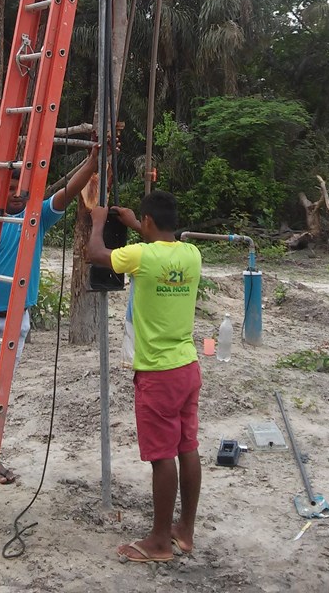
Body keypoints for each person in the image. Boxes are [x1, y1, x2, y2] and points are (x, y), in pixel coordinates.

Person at [0, 144, 99, 483]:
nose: (17, 193)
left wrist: (91, 163)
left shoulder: (37, 216)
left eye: (22, 186)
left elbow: (67, 192)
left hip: (15, 314)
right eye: (11, 185)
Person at [87, 192, 202, 563]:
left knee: (162, 456)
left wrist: (99, 221)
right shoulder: (192, 254)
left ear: (149, 222)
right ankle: (184, 531)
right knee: (187, 447)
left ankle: (158, 542)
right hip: (187, 366)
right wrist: (137, 223)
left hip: (157, 373)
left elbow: (95, 254)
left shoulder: (140, 256)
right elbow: (160, 243)